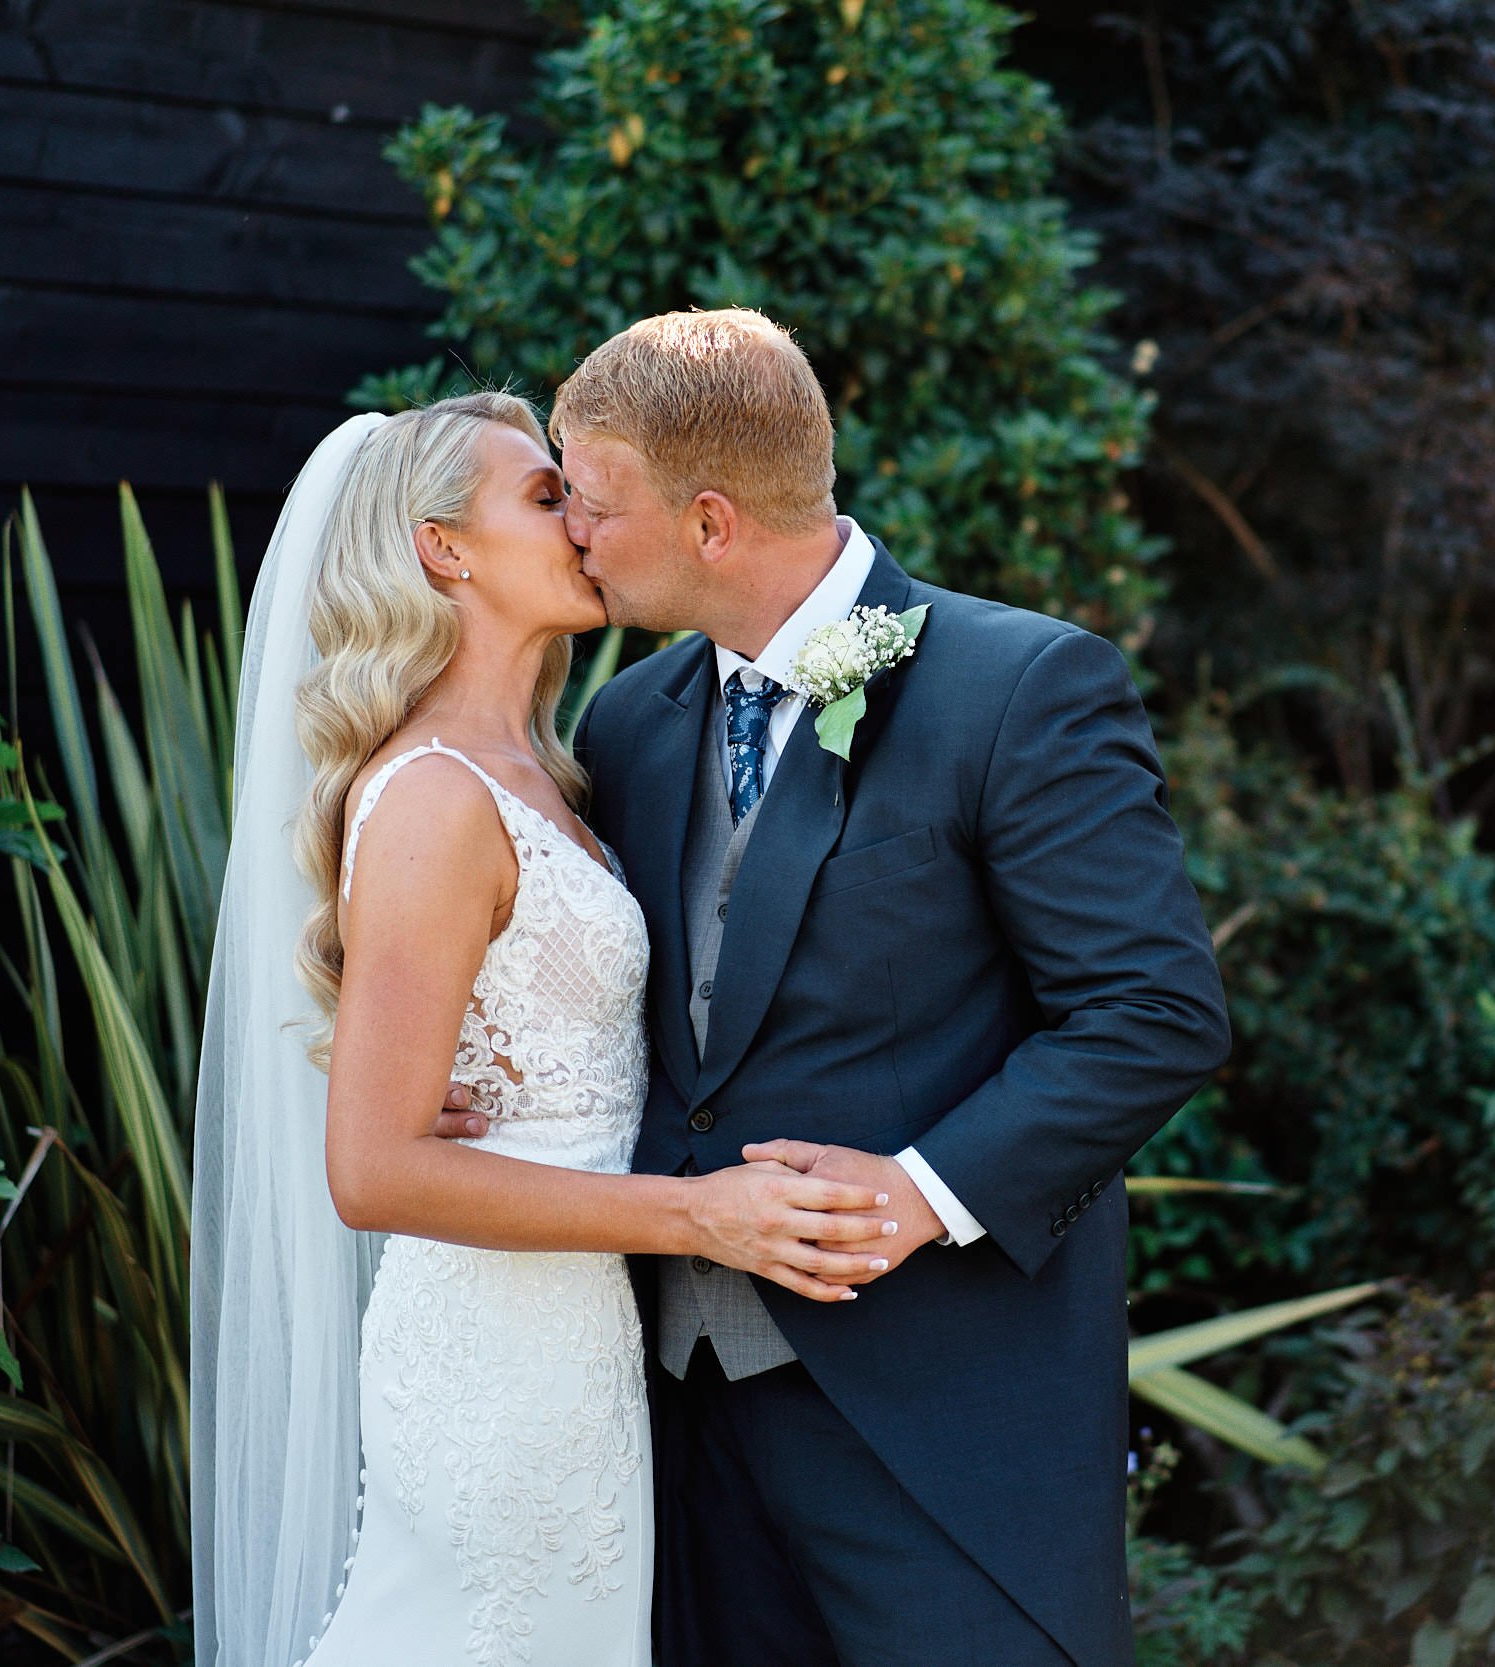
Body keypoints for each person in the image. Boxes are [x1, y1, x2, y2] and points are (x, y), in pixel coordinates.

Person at [424, 308, 1231, 1667]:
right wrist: (473, 1080)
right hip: (676, 1418)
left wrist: (918, 1192)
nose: (575, 533)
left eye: (595, 503)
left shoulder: (1018, 686)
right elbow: (603, 985)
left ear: (712, 522)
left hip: (941, 1424)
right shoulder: (627, 723)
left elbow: (1154, 1011)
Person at [190, 391, 893, 1667]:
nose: (580, 520)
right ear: (443, 548)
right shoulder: (432, 796)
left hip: (585, 1341)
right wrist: (700, 1214)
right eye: (542, 494)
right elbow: (373, 1170)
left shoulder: (561, 773)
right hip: (493, 1356)